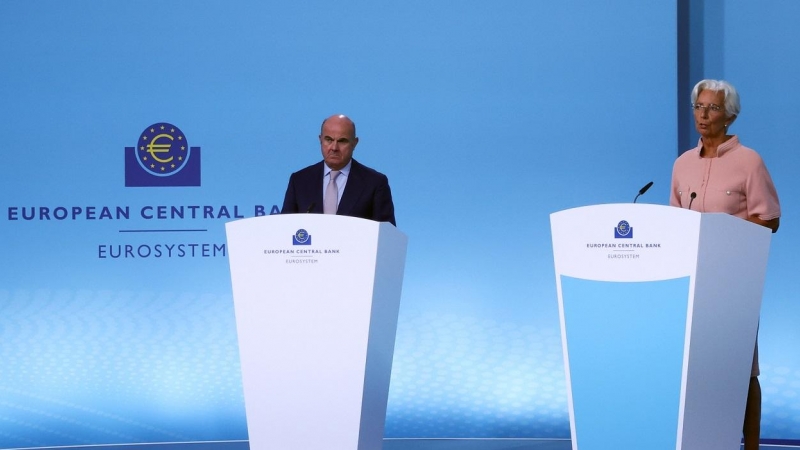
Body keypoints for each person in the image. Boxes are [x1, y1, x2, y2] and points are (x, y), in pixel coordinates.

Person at [670, 79, 780, 450]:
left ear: (730, 115)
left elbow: (770, 219)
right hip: (691, 283)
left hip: (734, 284)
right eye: (698, 107)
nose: (703, 115)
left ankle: (750, 445)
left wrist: (726, 236)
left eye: (712, 108)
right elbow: (672, 225)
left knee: (742, 370)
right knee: (694, 368)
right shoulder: (682, 164)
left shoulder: (750, 161)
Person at [281, 114, 396, 226]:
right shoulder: (299, 181)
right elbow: (284, 229)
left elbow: (387, 236)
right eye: (328, 140)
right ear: (320, 140)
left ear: (354, 143)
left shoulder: (375, 183)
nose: (334, 148)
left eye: (342, 141)